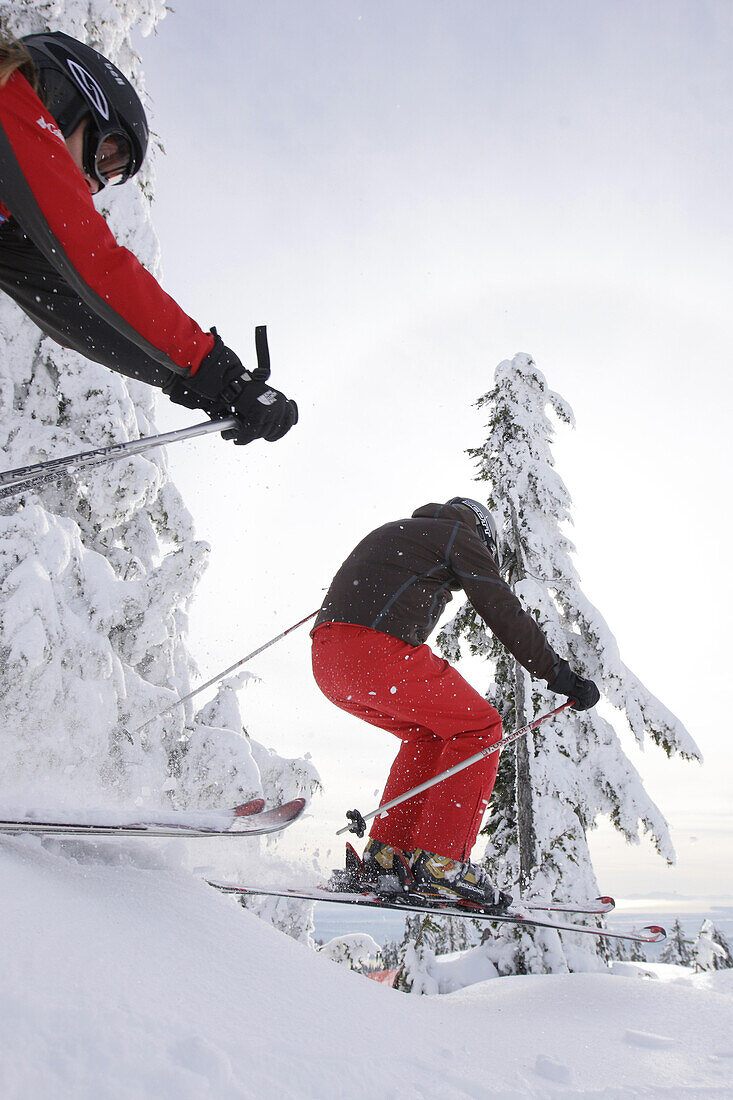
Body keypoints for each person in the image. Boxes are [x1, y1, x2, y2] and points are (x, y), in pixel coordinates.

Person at [0, 30, 297, 446]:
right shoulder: (10, 101)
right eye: (107, 155)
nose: (93, 183)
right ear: (68, 94)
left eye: (111, 175)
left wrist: (192, 382)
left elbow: (67, 304)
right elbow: (97, 265)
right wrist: (218, 371)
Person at [311, 498, 600, 910]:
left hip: (329, 661)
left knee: (428, 738)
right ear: (484, 534)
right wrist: (559, 674)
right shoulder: (458, 535)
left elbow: (364, 580)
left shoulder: (403, 532)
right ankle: (444, 865)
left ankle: (387, 857)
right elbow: (501, 607)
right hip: (375, 653)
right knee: (480, 728)